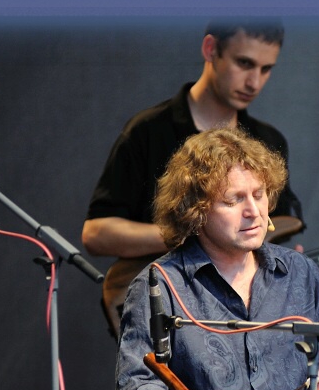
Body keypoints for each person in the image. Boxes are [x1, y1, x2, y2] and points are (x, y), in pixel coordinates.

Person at [115, 128, 319, 390]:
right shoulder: (159, 284)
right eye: (233, 201)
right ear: (196, 211)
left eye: (259, 195)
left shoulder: (299, 273)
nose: (253, 211)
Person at [82, 18, 303, 260]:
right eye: (244, 63)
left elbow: (273, 230)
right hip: (164, 281)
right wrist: (198, 231)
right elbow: (95, 234)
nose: (254, 82)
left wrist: (284, 263)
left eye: (265, 69)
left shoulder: (267, 142)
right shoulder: (148, 131)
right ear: (210, 49)